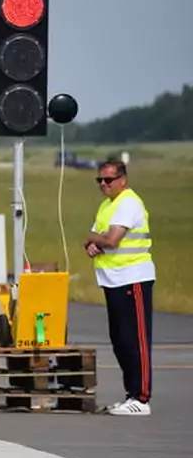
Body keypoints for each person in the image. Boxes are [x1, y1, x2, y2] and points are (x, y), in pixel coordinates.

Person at [84, 159, 154, 416]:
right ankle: (130, 394)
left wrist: (94, 239)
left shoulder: (128, 202)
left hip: (132, 276)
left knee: (136, 340)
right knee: (120, 340)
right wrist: (92, 243)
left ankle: (142, 397)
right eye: (99, 180)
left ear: (122, 180)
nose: (103, 184)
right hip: (112, 278)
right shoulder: (107, 206)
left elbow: (111, 240)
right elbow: (96, 239)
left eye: (108, 180)